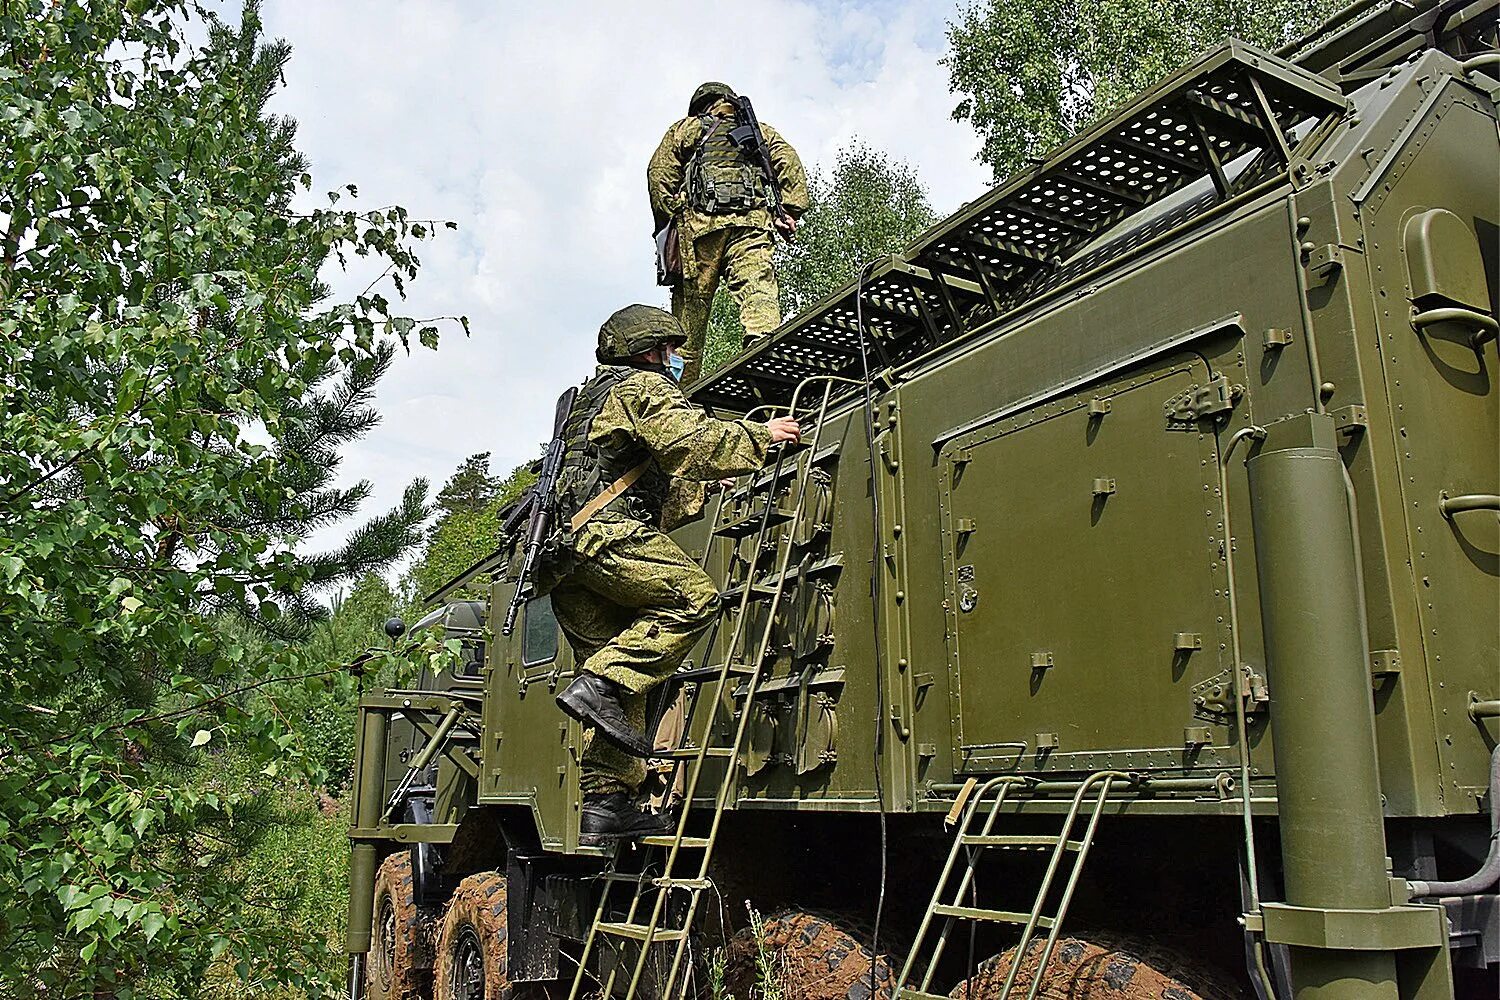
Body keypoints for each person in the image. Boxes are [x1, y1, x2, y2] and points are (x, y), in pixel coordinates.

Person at [541, 304, 800, 843]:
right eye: (671, 351)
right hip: (603, 535)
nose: (677, 361)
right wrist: (763, 436)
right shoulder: (642, 386)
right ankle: (597, 683)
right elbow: (693, 442)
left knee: (630, 687)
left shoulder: (583, 404)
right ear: (649, 350)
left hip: (562, 563)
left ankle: (605, 805)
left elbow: (650, 478)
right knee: (694, 601)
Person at [647, 81, 809, 385]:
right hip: (751, 227)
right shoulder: (760, 131)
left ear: (701, 105)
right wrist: (790, 209)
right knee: (757, 290)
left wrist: (669, 216)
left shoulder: (688, 128)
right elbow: (789, 163)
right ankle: (764, 352)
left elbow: (659, 172)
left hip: (699, 232)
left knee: (688, 322)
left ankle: (683, 388)